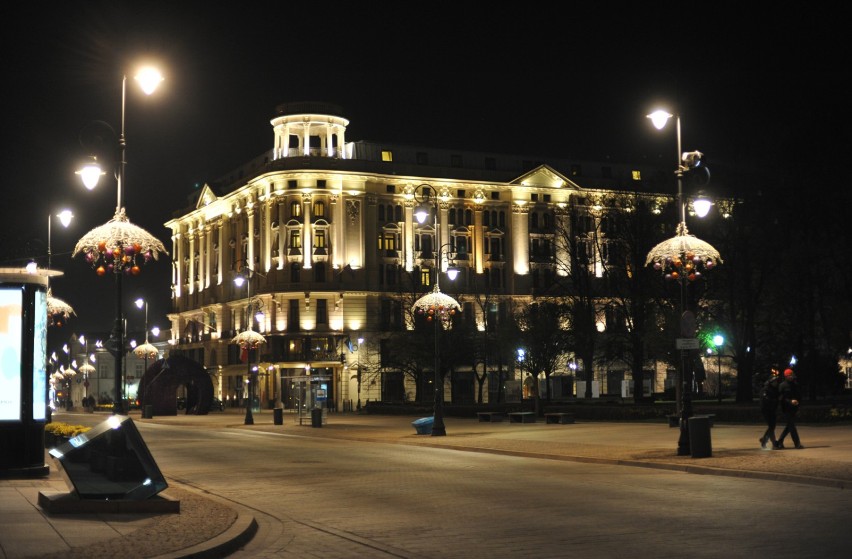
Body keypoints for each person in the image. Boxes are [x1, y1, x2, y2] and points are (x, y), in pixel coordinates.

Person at [776, 368, 804, 449]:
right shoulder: (782, 386)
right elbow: (781, 398)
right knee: (792, 426)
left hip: (794, 408)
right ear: (786, 376)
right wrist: (790, 401)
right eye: (789, 375)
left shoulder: (795, 385)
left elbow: (799, 395)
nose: (791, 377)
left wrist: (798, 403)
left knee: (789, 426)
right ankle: (797, 444)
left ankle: (780, 441)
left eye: (791, 375)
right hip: (786, 409)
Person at [758, 364, 782, 449]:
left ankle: (764, 439)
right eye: (774, 382)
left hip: (772, 410)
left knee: (772, 426)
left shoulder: (775, 389)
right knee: (772, 426)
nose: (776, 383)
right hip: (767, 410)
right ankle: (774, 444)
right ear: (771, 382)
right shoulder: (766, 389)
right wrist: (773, 401)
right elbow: (765, 400)